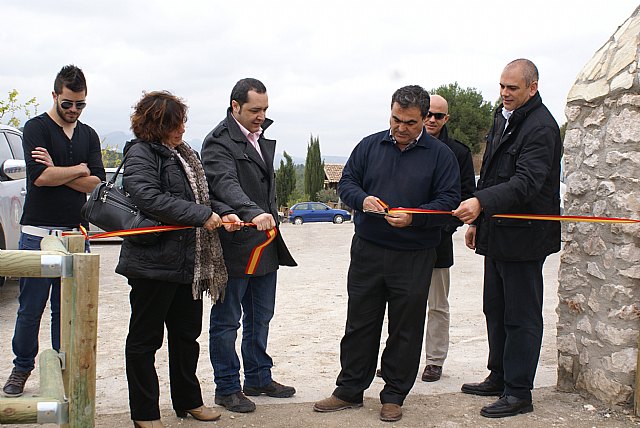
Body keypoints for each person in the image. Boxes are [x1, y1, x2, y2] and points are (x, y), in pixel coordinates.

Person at [313, 85, 461, 422]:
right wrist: (361, 199)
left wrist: (414, 218)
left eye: (410, 122)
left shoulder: (441, 156)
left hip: (414, 255)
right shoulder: (369, 145)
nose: (401, 127)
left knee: (405, 327)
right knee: (360, 322)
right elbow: (347, 182)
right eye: (396, 119)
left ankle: (394, 394)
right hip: (368, 250)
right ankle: (349, 390)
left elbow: (448, 202)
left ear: (424, 119)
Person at [453, 59, 562, 418]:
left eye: (512, 87)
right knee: (496, 309)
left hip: (525, 238)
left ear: (532, 87)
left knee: (521, 316)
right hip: (498, 234)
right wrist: (478, 221)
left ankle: (518, 392)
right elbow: (491, 173)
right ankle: (498, 376)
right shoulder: (503, 117)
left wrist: (480, 202)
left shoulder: (541, 127)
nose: (504, 93)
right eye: (501, 86)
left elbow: (526, 183)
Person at [116, 91, 231, 427]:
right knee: (145, 341)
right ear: (157, 125)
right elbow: (148, 197)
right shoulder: (141, 153)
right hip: (152, 265)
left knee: (186, 337)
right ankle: (145, 413)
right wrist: (201, 215)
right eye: (175, 123)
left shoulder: (184, 154)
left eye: (182, 122)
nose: (182, 128)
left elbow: (202, 198)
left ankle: (188, 401)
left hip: (187, 264)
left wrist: (225, 213)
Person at [3, 65, 105, 398]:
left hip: (75, 233)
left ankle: (65, 369)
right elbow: (40, 179)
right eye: (68, 103)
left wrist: (58, 170)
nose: (74, 110)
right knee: (30, 308)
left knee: (68, 311)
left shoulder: (89, 134)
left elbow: (96, 183)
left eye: (80, 104)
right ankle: (22, 367)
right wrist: (78, 170)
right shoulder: (36, 128)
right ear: (55, 95)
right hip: (37, 233)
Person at [201, 78, 297, 414]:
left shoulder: (257, 136)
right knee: (227, 320)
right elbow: (224, 184)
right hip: (236, 245)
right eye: (255, 110)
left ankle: (258, 377)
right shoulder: (218, 141)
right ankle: (227, 387)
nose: (261, 116)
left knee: (261, 316)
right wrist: (252, 212)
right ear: (235, 106)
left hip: (265, 243)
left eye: (265, 109)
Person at [420, 94, 476, 382]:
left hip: (439, 241)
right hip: (404, 241)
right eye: (428, 114)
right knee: (403, 304)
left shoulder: (459, 153)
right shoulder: (404, 146)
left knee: (438, 305)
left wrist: (446, 226)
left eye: (438, 116)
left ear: (446, 119)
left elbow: (466, 196)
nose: (432, 119)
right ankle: (400, 360)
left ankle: (434, 361)